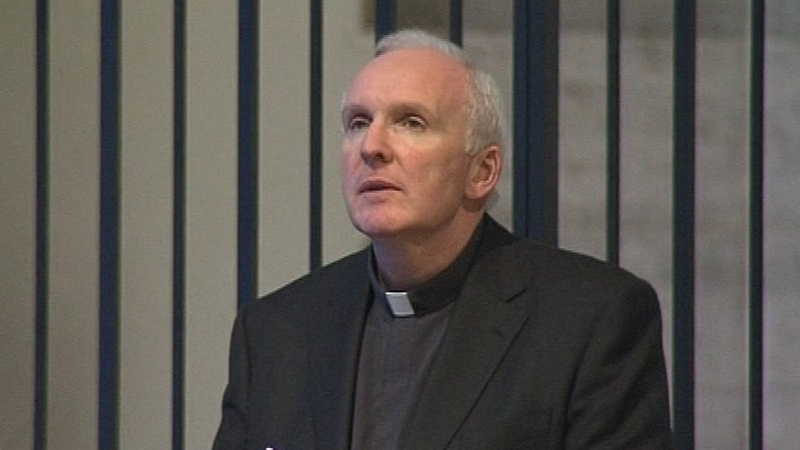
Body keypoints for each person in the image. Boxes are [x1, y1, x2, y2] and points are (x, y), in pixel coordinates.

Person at [213, 29, 673, 449]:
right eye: (358, 122)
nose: (372, 147)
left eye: (411, 122)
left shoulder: (587, 320)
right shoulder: (277, 331)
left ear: (482, 171)